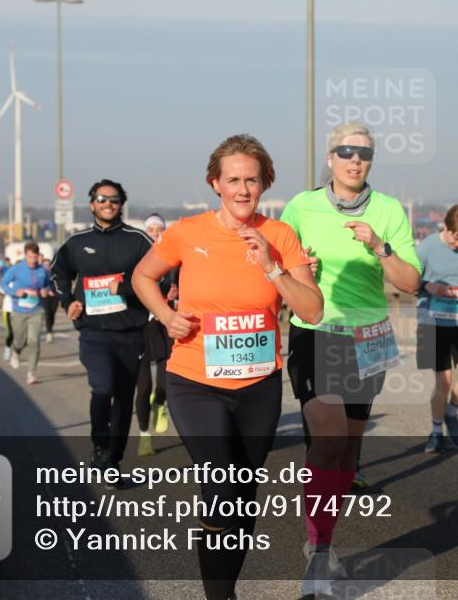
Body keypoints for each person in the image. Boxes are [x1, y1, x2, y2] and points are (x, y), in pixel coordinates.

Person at [132, 134, 323, 600]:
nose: (242, 189)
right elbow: (142, 275)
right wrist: (166, 315)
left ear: (264, 185)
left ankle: (225, 589)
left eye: (252, 180)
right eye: (233, 180)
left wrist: (272, 269)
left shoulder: (279, 237)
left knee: (242, 495)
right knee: (221, 484)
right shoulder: (188, 232)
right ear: (214, 183)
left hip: (258, 386)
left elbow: (313, 310)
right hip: (195, 381)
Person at [281, 122, 421, 596]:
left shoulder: (386, 210)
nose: (354, 160)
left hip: (369, 337)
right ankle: (317, 551)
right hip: (316, 333)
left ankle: (327, 537)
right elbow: (279, 267)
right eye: (345, 151)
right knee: (330, 436)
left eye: (363, 153)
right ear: (329, 157)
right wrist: (303, 270)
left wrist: (379, 247)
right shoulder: (302, 206)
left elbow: (410, 282)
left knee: (346, 448)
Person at [50, 179, 154, 485]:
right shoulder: (77, 242)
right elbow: (58, 273)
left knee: (123, 399)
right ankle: (99, 444)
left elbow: (159, 276)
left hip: (131, 332)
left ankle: (113, 461)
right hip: (94, 332)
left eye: (114, 199)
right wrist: (67, 301)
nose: (108, 204)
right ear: (92, 203)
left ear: (122, 204)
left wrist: (125, 287)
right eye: (102, 199)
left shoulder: (139, 240)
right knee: (103, 389)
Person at [416, 204, 458, 453]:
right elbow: (408, 279)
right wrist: (427, 286)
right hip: (432, 321)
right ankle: (435, 432)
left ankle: (451, 412)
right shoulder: (426, 247)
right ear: (446, 226)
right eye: (456, 238)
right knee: (443, 382)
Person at [133, 213, 178, 457]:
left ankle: (160, 403)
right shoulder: (134, 260)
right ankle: (143, 435)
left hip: (165, 323)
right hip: (141, 326)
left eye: (159, 228)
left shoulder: (174, 261)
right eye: (150, 228)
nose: (155, 232)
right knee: (143, 387)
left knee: (165, 382)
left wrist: (176, 295)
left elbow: (183, 286)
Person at [2, 243, 51, 385]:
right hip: (19, 311)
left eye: (35, 257)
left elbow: (47, 285)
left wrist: (45, 291)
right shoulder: (16, 269)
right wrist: (14, 292)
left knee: (34, 341)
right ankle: (16, 351)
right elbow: (3, 284)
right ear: (25, 255)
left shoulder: (42, 270)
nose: (33, 261)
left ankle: (31, 373)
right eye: (30, 257)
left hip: (36, 310)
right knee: (20, 340)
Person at [40, 257, 58, 343]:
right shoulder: (41, 273)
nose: (47, 266)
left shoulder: (54, 273)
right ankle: (49, 332)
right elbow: (40, 284)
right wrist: (47, 290)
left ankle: (50, 327)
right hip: (45, 296)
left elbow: (58, 283)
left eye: (48, 264)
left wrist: (53, 290)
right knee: (47, 313)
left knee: (52, 313)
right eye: (45, 265)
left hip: (54, 296)